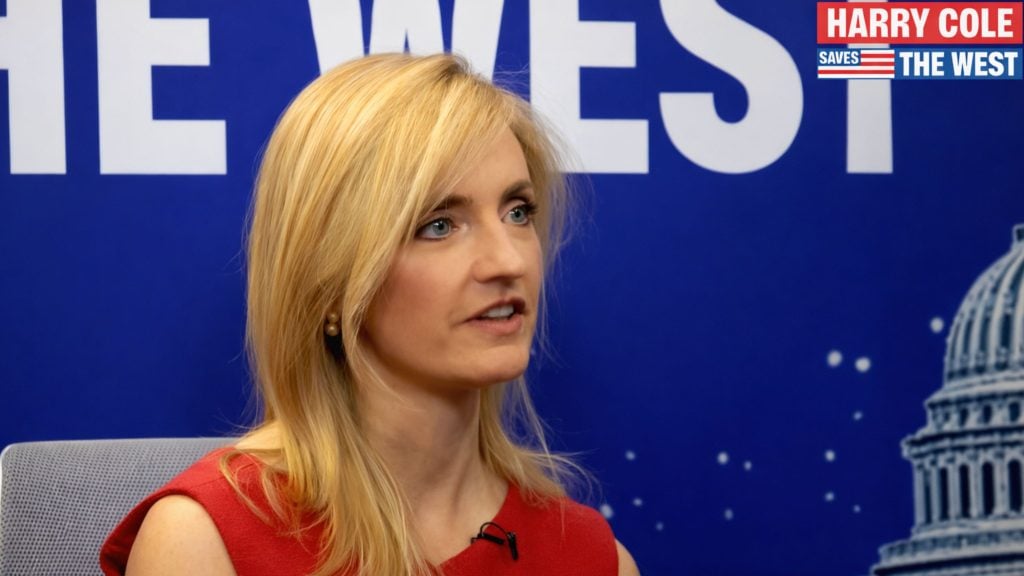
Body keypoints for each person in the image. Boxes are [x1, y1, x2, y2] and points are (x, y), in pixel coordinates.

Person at [100, 53, 640, 576]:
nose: (508, 260)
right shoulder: (204, 541)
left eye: (517, 211)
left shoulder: (594, 560)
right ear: (330, 286)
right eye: (438, 225)